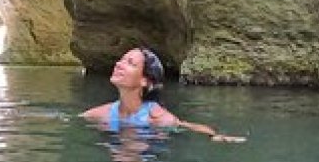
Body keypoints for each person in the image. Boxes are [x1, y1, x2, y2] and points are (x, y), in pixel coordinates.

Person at [81, 47, 246, 142]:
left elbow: (185, 126)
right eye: (121, 60)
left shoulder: (156, 117)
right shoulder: (104, 112)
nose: (118, 64)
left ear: (145, 81)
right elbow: (74, 118)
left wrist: (215, 136)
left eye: (130, 63)